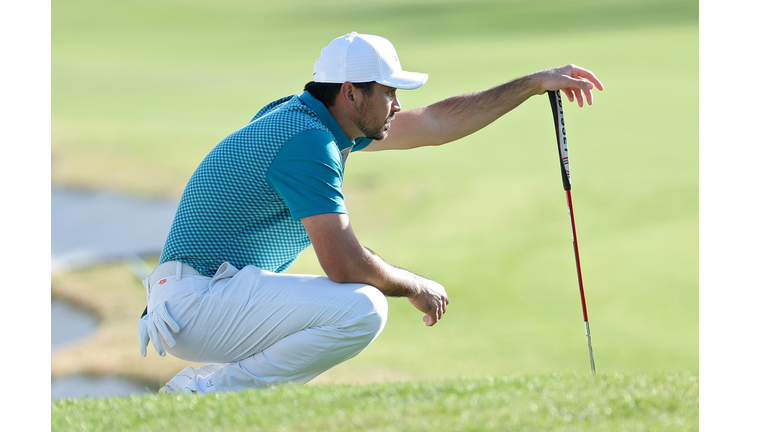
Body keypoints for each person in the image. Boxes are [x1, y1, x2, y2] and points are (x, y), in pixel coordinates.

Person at [138, 32, 604, 394]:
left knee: (354, 299)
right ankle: (208, 392)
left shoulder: (314, 118)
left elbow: (436, 123)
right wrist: (416, 286)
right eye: (389, 93)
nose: (397, 105)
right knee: (362, 307)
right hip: (195, 302)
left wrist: (533, 84)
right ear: (350, 93)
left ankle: (213, 390)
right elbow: (344, 266)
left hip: (197, 296)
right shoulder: (308, 142)